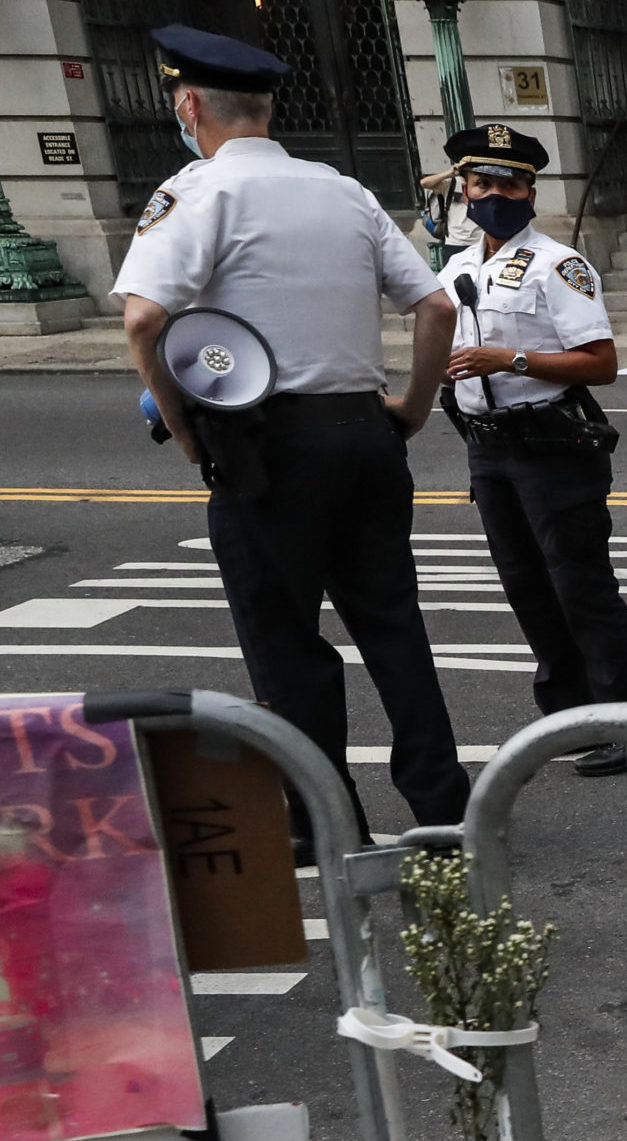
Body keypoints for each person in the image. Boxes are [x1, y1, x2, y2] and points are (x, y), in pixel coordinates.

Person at [112, 24, 471, 847]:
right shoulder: (344, 190)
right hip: (362, 435)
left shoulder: (195, 194)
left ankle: (323, 822)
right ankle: (444, 807)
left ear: (189, 104)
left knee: (286, 644)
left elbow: (143, 320)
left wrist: (186, 432)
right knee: (393, 625)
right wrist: (412, 409)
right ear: (268, 109)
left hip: (266, 450)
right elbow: (438, 307)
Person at [434, 124, 627, 777]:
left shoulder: (557, 265)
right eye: (483, 183)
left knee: (581, 587)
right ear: (464, 188)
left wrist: (510, 357)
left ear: (532, 191)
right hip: (489, 450)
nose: (497, 194)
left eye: (511, 183)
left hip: (551, 444)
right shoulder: (459, 266)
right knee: (527, 589)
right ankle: (569, 715)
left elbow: (600, 364)